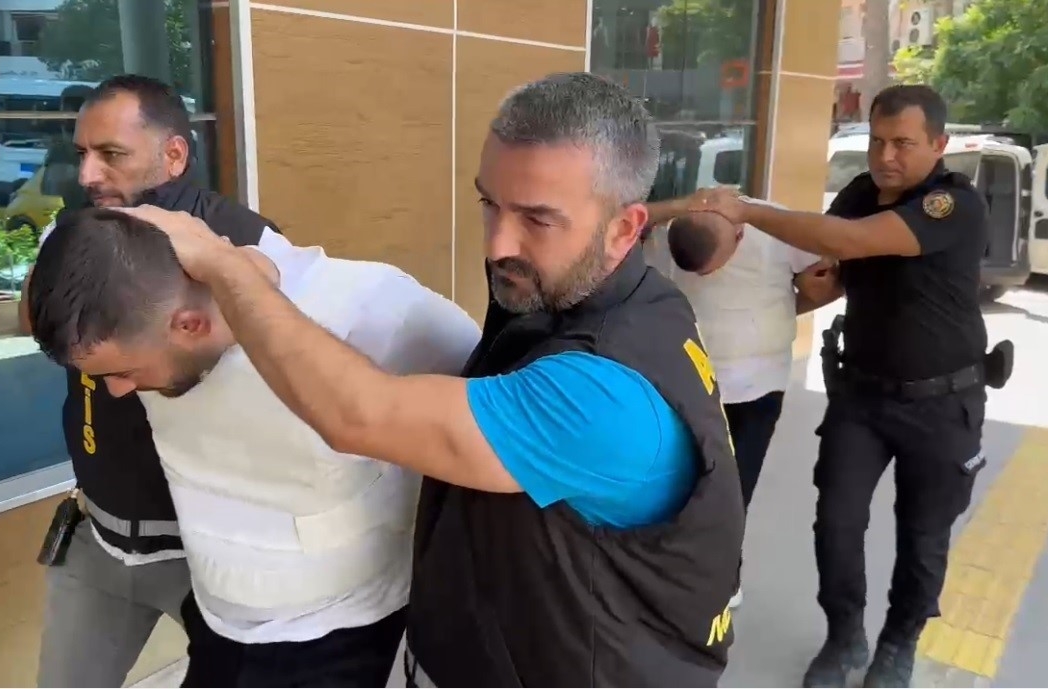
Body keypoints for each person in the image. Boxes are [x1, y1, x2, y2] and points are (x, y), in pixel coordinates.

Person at [110, 72, 746, 687]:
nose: (498, 244)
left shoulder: (600, 400)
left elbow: (358, 416)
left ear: (625, 229)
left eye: (537, 219)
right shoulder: (620, 297)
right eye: (489, 203)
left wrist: (226, 268)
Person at [27, 207, 482, 686]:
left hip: (345, 636)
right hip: (217, 628)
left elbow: (484, 440)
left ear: (189, 326)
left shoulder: (376, 311)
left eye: (123, 373)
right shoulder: (145, 308)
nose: (116, 392)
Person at [700, 84, 991, 688]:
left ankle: (898, 644)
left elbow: (850, 241)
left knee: (923, 535)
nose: (886, 156)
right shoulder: (860, 193)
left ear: (939, 144)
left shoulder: (953, 205)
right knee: (836, 521)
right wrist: (783, 304)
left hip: (942, 404)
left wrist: (746, 211)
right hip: (862, 396)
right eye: (877, 141)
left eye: (903, 143)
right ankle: (845, 636)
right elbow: (830, 271)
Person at [18, 74, 278, 688]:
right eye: (82, 153)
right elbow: (35, 320)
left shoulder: (247, 243)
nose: (88, 175)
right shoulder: (78, 230)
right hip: (99, 536)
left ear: (174, 155)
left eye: (111, 154)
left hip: (209, 554)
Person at [644, 202, 843, 609]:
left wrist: (787, 308)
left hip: (758, 389)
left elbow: (829, 275)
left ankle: (723, 577)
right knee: (680, 480)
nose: (707, 278)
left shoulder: (778, 229)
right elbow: (627, 224)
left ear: (741, 234)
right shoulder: (674, 229)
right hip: (691, 383)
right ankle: (673, 570)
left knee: (734, 488)